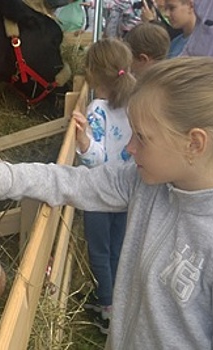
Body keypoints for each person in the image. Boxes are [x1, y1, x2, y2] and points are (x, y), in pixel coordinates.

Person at [0, 56, 213, 349]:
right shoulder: (148, 184)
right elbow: (71, 181)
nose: (130, 146)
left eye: (143, 137)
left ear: (194, 144)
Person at [71, 37, 136, 334]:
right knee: (117, 249)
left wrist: (83, 140)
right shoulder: (135, 106)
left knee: (98, 251)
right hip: (125, 194)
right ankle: (118, 302)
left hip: (99, 194)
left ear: (93, 74)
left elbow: (96, 159)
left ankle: (107, 309)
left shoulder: (98, 109)